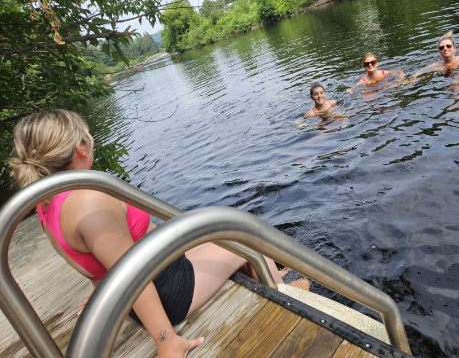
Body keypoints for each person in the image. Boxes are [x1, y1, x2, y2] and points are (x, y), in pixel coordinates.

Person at [9, 109, 292, 358]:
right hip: (166, 291)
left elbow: (97, 260)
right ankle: (288, 293)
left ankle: (275, 280)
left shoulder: (47, 203)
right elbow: (133, 274)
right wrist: (167, 343)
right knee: (246, 239)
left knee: (217, 238)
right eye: (87, 136)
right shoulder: (88, 202)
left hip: (150, 280)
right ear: (81, 148)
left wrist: (100, 294)